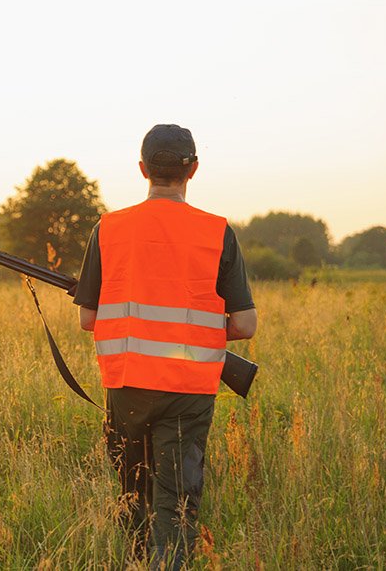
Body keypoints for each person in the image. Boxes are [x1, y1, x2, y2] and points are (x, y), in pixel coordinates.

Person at [73, 124, 257, 569]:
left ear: (142, 170)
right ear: (193, 169)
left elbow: (88, 319)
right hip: (189, 390)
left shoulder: (109, 228)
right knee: (175, 504)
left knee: (133, 495)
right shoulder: (218, 232)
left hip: (128, 384)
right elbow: (246, 325)